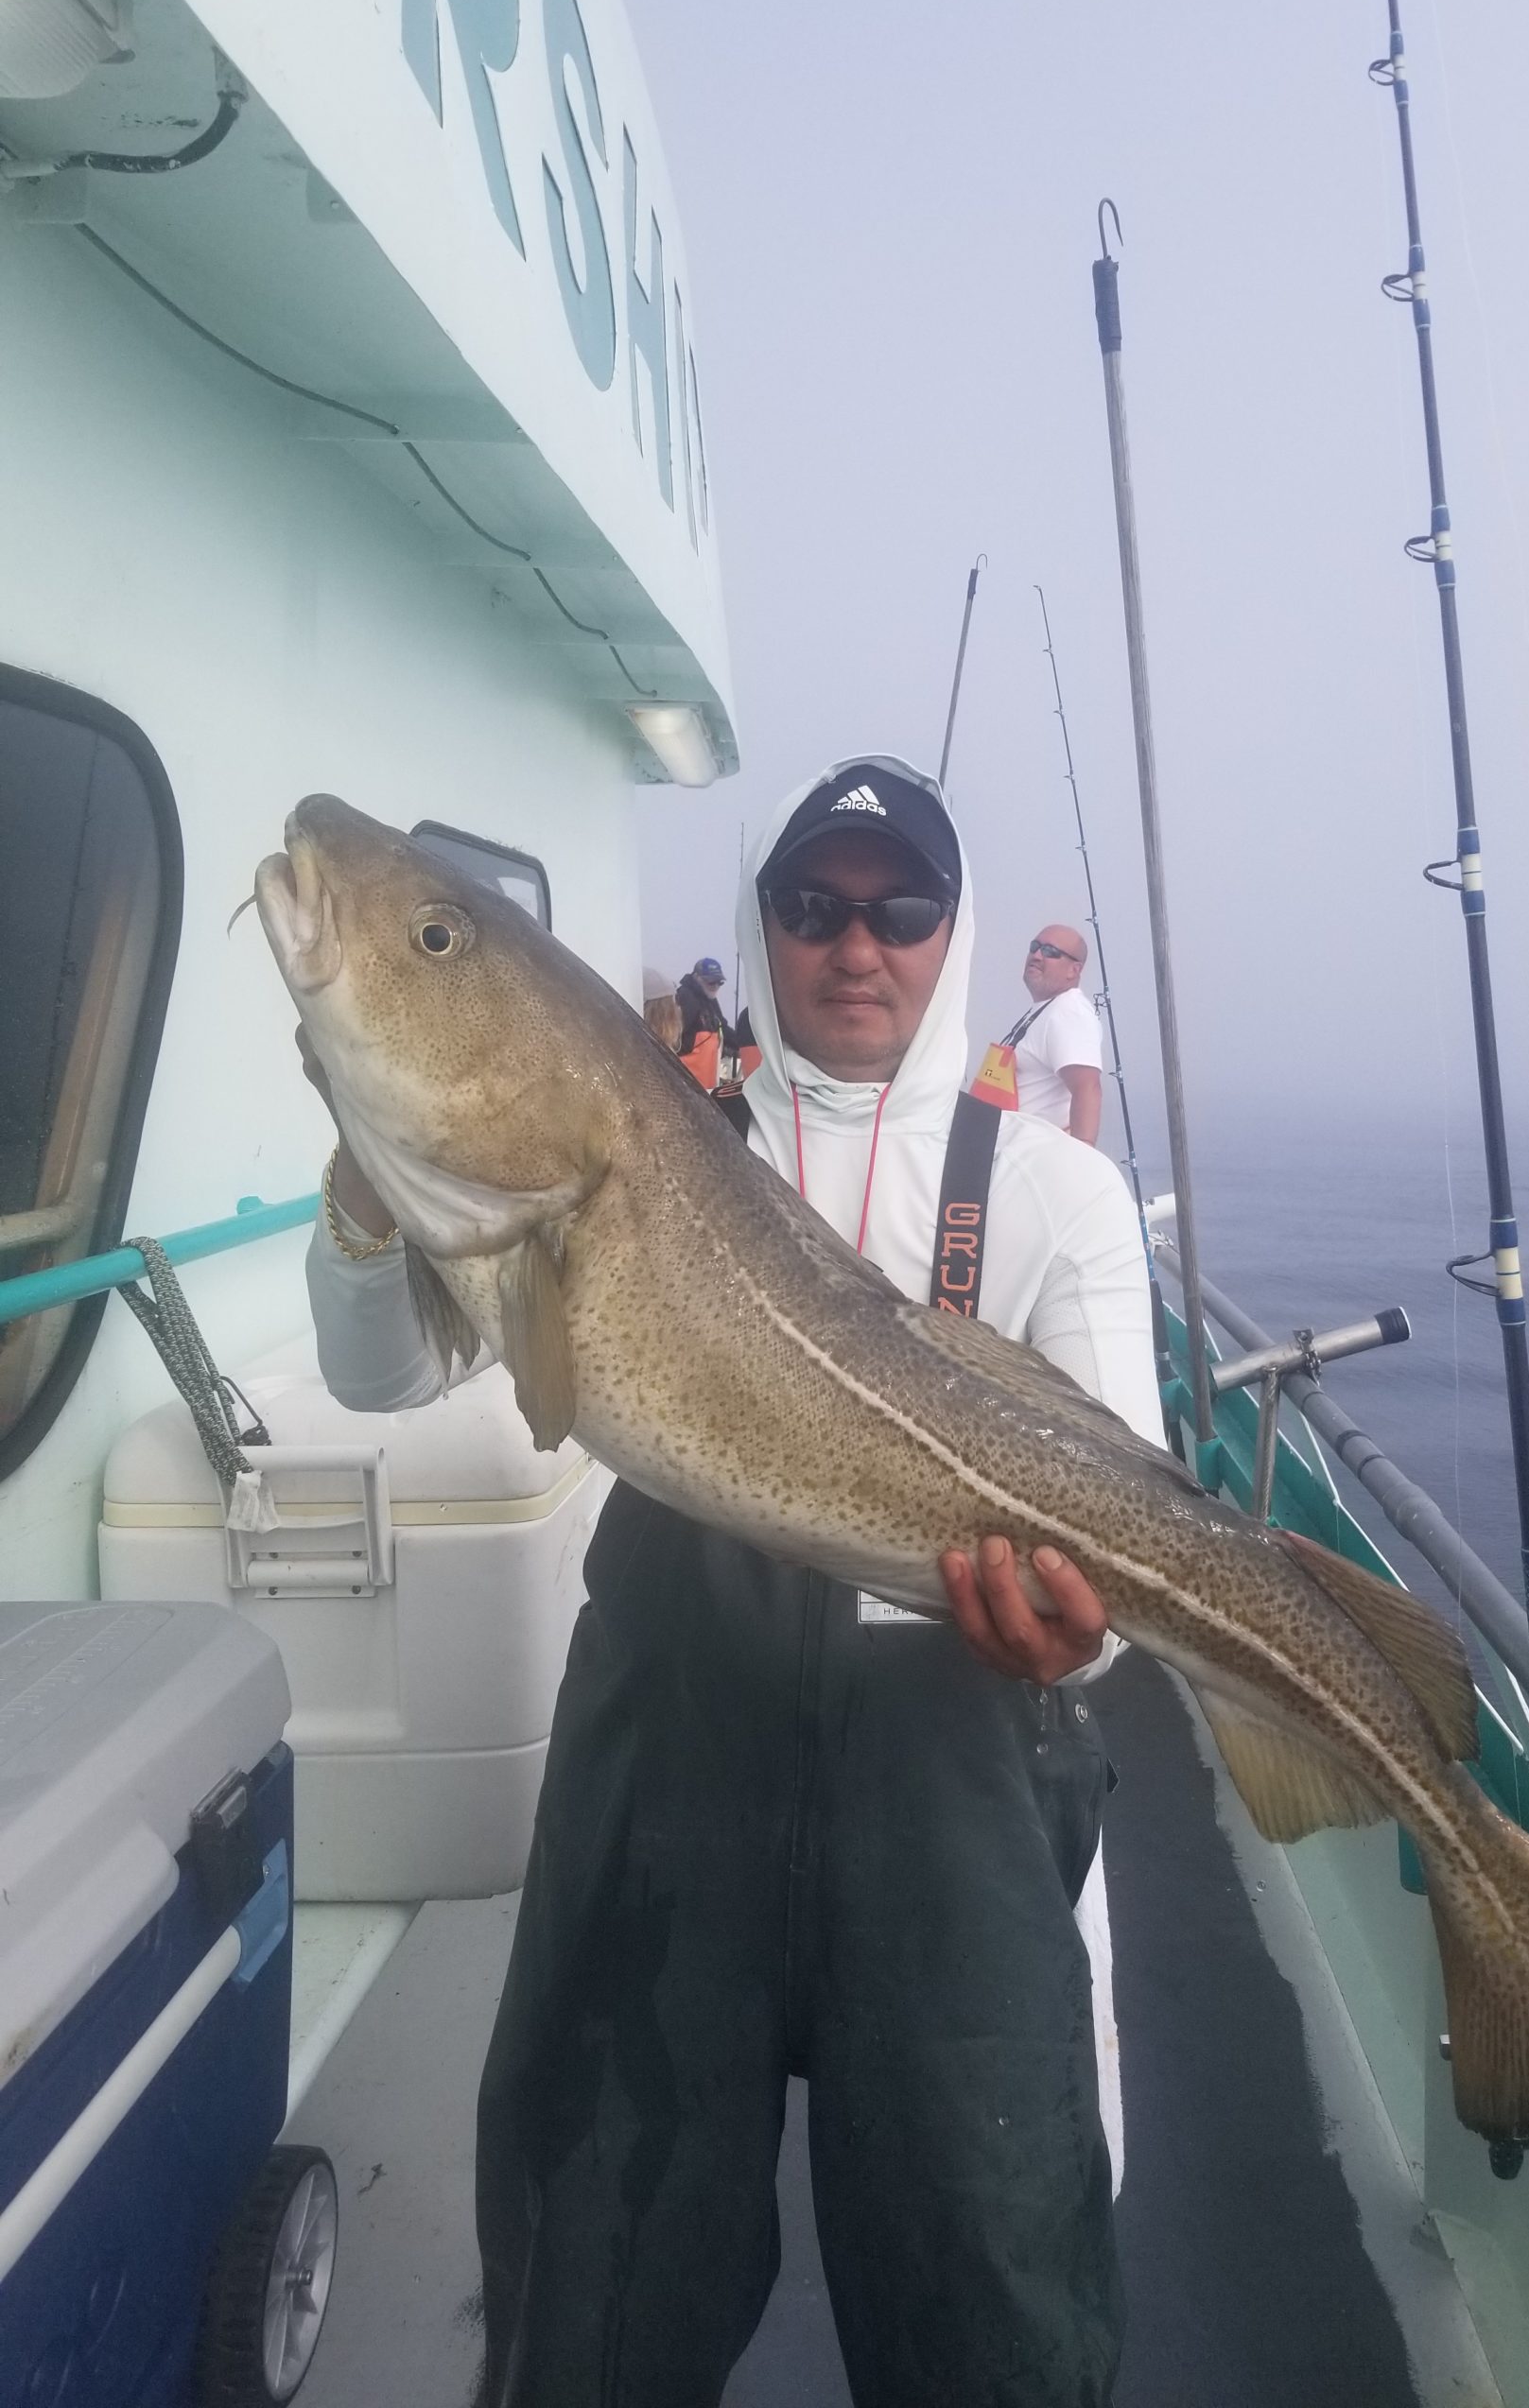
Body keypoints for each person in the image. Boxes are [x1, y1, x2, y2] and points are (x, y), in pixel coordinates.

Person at [302, 755, 1161, 2408]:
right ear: (764, 927)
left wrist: (1077, 1642)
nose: (858, 945)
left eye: (901, 908)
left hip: (954, 1784)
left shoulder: (1057, 1193)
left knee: (990, 2292)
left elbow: (1117, 1550)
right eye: (813, 905)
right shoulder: (644, 1128)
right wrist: (366, 1165)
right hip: (672, 1763)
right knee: (594, 2274)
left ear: (955, 930)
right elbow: (379, 1373)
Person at [991, 924, 1103, 1142]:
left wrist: (1082, 1154)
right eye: (1035, 947)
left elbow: (1087, 1088)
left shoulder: (1069, 1011)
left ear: (1074, 970)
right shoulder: (1046, 1010)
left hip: (1030, 1154)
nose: (1037, 955)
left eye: (1050, 951)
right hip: (999, 1150)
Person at [675, 954, 730, 1091]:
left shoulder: (711, 1000)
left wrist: (747, 1041)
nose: (716, 986)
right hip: (685, 1086)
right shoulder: (686, 997)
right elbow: (672, 1037)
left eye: (719, 982)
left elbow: (724, 1029)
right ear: (697, 977)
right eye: (711, 982)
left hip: (706, 1088)